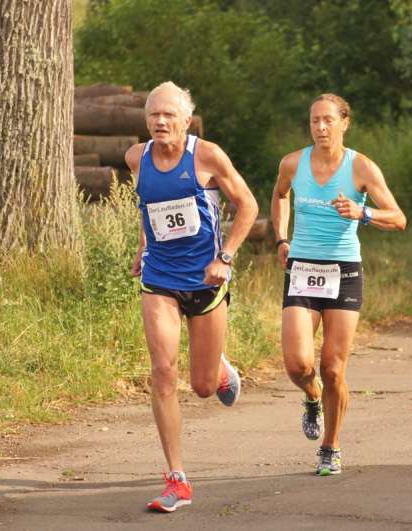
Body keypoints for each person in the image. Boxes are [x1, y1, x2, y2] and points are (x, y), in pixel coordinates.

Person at [125, 81, 258, 511]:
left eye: (169, 115)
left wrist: (226, 256)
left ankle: (217, 367)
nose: (160, 122)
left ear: (186, 120)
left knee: (201, 387)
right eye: (153, 116)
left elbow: (248, 206)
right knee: (163, 371)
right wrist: (144, 245)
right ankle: (177, 480)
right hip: (160, 278)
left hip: (205, 280)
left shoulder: (207, 155)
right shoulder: (136, 159)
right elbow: (149, 208)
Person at [271, 93, 406, 476]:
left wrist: (363, 212)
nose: (321, 128)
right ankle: (312, 397)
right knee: (298, 365)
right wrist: (282, 238)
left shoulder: (361, 167)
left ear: (345, 123)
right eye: (315, 121)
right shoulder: (293, 163)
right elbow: (280, 195)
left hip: (344, 271)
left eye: (328, 120)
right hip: (301, 267)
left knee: (332, 367)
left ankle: (330, 445)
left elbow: (399, 218)